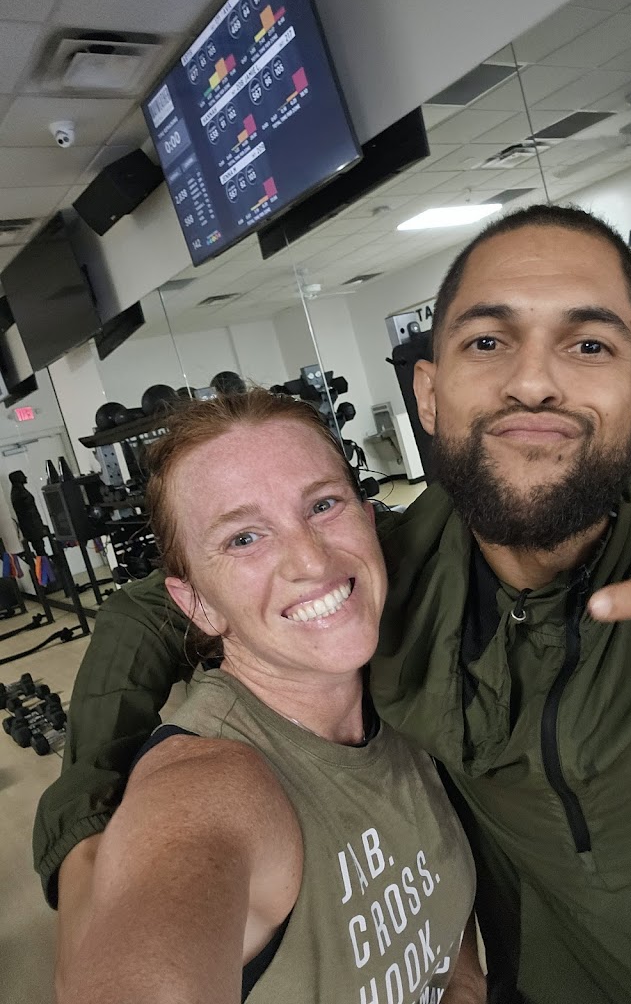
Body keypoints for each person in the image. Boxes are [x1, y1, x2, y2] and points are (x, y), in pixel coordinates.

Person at [35, 203, 631, 1004]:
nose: (533, 383)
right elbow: (148, 609)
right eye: (487, 342)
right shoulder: (392, 570)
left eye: (589, 344)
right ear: (429, 395)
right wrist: (85, 839)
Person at [54, 390, 480, 1004]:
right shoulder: (210, 786)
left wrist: (464, 981)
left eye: (323, 505)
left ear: (369, 518)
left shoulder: (404, 701)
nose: (310, 560)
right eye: (244, 538)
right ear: (199, 605)